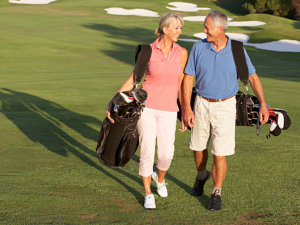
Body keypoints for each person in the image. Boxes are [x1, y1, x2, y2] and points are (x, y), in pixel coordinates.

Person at [181, 10, 269, 211]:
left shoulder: (237, 49)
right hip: (201, 103)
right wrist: (186, 108)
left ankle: (216, 192)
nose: (204, 31)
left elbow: (253, 78)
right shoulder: (198, 47)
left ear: (220, 29)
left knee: (220, 153)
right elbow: (188, 78)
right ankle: (202, 175)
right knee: (198, 148)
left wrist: (263, 104)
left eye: (207, 28)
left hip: (226, 106)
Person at [106, 12, 188, 210]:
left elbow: (181, 84)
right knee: (147, 151)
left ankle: (159, 179)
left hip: (169, 109)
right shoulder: (148, 51)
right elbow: (134, 79)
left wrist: (185, 110)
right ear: (165, 29)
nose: (179, 31)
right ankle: (148, 193)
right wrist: (113, 100)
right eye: (176, 28)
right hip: (147, 108)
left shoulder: (182, 53)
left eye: (180, 28)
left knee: (167, 154)